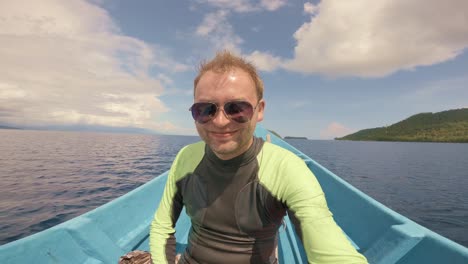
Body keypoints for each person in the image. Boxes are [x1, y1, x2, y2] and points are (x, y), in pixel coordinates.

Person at [149, 51, 368, 264]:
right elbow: (162, 227)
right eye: (205, 109)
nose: (220, 122)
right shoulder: (186, 156)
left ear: (259, 110)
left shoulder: (287, 167)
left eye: (236, 108)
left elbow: (331, 249)